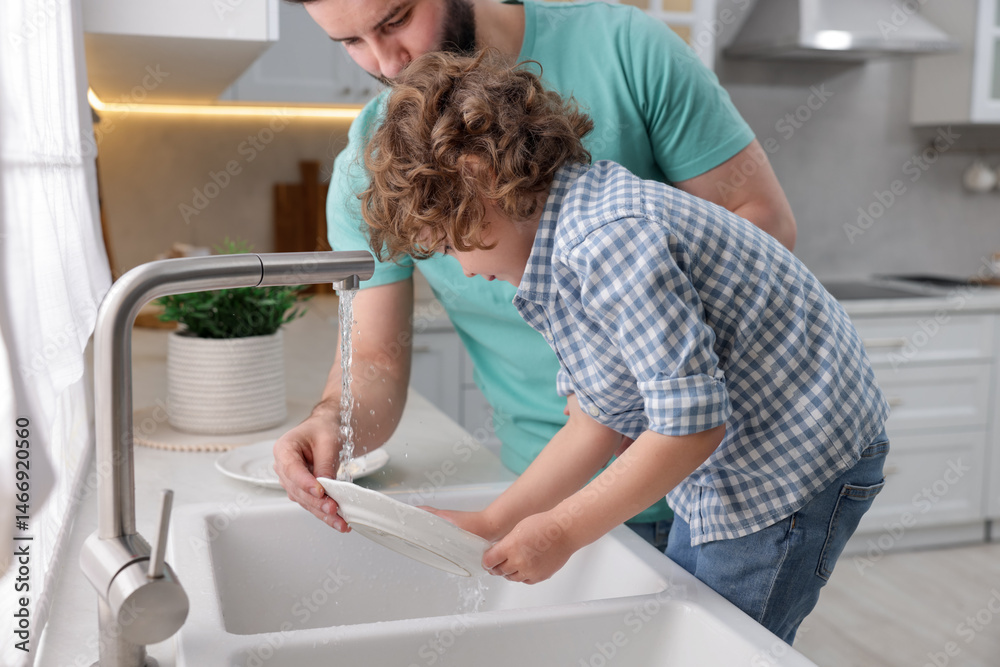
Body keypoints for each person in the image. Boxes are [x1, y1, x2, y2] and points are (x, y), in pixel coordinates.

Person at [358, 50, 889, 644]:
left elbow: (690, 429)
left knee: (721, 644)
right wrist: (492, 521)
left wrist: (562, 531)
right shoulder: (560, 248)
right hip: (734, 457)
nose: (459, 268)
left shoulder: (607, 240)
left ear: (479, 175)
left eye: (450, 243)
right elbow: (596, 421)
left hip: (793, 457)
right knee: (689, 623)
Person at [274, 0, 797, 549]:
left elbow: (761, 224)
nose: (386, 63)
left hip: (726, 477)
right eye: (351, 42)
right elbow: (374, 358)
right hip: (541, 488)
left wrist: (655, 385)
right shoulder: (378, 164)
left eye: (396, 19)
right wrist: (331, 423)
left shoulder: (626, 50)